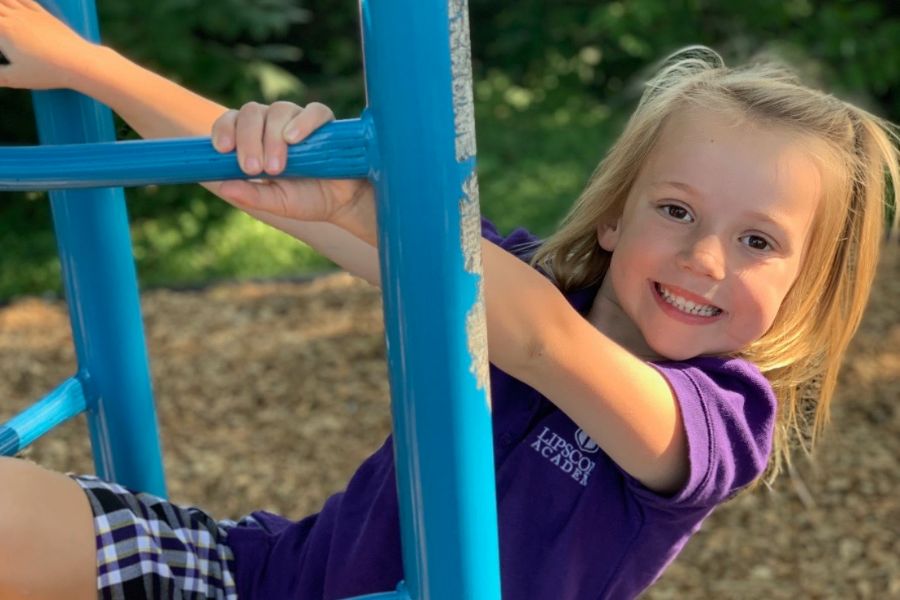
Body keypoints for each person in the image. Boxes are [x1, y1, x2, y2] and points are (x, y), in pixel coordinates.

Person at [0, 1, 897, 598]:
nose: (704, 257)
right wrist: (88, 65)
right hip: (265, 578)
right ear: (617, 218)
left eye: (758, 242)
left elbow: (546, 345)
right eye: (674, 210)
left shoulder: (723, 421)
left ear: (806, 283)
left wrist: (368, 204)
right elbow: (252, 184)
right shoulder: (515, 278)